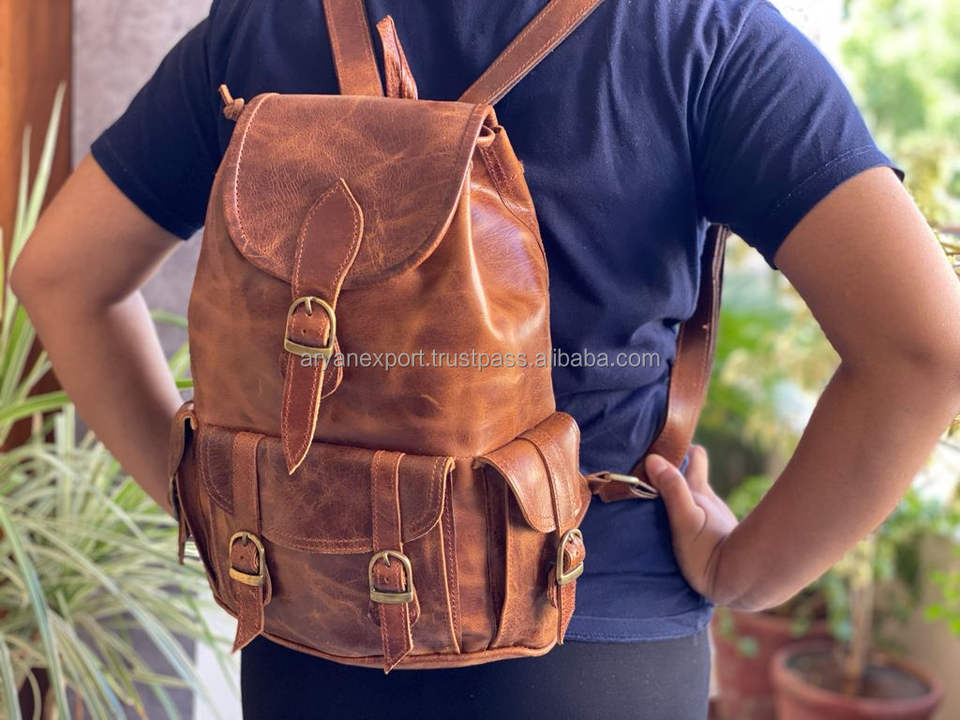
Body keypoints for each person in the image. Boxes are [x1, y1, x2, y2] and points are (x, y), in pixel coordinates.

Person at [12, 1, 960, 718]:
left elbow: (60, 277)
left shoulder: (261, 20)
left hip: (311, 629)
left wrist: (218, 502)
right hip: (592, 643)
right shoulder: (698, 31)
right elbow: (922, 350)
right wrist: (749, 572)